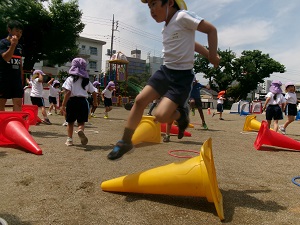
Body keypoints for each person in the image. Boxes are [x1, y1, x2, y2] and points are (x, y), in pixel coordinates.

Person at [107, 0, 219, 160]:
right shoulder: (167, 26)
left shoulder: (182, 16)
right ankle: (125, 141)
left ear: (170, 3)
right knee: (139, 100)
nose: (151, 10)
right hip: (165, 72)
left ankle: (181, 115)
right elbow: (191, 43)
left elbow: (211, 29)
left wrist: (212, 55)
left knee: (160, 116)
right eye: (149, 6)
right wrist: (208, 54)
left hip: (181, 77)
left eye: (154, 4)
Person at [60, 58, 98, 146]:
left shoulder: (70, 79)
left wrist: (63, 105)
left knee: (70, 122)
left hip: (72, 102)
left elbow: (68, 92)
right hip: (83, 102)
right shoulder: (86, 81)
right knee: (81, 122)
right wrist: (95, 102)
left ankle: (69, 140)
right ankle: (80, 130)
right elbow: (94, 92)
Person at [0, 20, 24, 111]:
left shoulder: (20, 47)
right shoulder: (3, 43)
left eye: (21, 32)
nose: (19, 34)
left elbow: (20, 63)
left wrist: (21, 78)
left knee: (18, 102)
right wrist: (13, 45)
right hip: (3, 79)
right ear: (9, 30)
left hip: (16, 80)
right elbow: (6, 58)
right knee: (1, 102)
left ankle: (16, 122)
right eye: (17, 31)